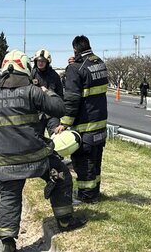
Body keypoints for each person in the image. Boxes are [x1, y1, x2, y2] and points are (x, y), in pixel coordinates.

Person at [0, 50, 86, 252]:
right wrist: (44, 89)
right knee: (62, 176)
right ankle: (65, 221)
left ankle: (8, 242)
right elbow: (59, 107)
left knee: (9, 198)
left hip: (6, 160)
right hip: (36, 157)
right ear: (25, 68)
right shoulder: (32, 90)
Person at [55, 35, 108, 203]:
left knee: (84, 164)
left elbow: (72, 99)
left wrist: (64, 122)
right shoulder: (99, 63)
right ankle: (95, 193)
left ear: (75, 49)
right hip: (100, 125)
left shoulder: (75, 69)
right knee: (96, 161)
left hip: (85, 126)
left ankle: (87, 196)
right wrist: (77, 61)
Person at [31, 49, 64, 135]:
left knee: (56, 136)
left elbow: (60, 96)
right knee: (36, 139)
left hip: (52, 112)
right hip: (36, 114)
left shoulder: (54, 76)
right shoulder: (31, 75)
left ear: (47, 62)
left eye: (43, 61)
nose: (40, 63)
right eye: (38, 61)